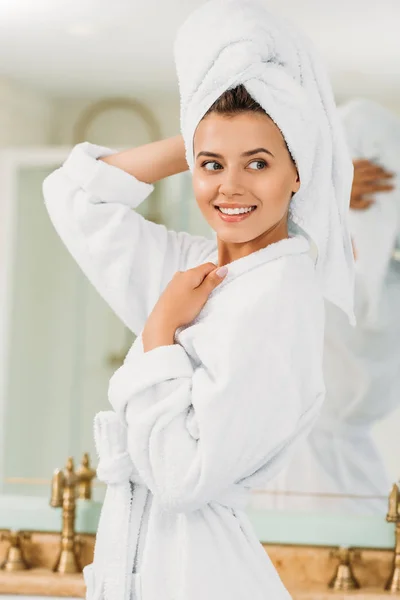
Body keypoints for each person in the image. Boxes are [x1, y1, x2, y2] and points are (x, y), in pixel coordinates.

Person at [42, 1, 354, 599]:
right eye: (210, 165)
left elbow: (185, 482)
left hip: (198, 571)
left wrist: (160, 331)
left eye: (258, 163)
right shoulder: (194, 269)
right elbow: (73, 199)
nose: (229, 187)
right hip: (153, 560)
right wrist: (199, 129)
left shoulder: (279, 297)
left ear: (299, 172)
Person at [255, 99, 400, 515]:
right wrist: (323, 191)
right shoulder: (306, 267)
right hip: (335, 484)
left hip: (330, 486)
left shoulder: (362, 289)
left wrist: (323, 191)